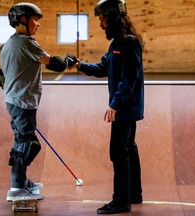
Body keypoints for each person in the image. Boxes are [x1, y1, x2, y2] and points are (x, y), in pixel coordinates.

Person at [67, 0, 144, 214]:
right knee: (129, 148)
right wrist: (80, 65)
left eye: (102, 19)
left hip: (125, 107)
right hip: (126, 106)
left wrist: (114, 104)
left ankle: (121, 201)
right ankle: (134, 194)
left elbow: (129, 77)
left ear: (112, 17)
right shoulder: (117, 43)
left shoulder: (129, 42)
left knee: (118, 152)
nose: (101, 24)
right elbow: (103, 68)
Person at [0, 2, 68, 202]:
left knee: (21, 140)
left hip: (14, 100)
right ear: (22, 20)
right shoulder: (26, 42)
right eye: (35, 19)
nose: (38, 24)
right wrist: (67, 62)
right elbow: (51, 63)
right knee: (28, 144)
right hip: (22, 102)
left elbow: (0, 77)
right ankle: (17, 188)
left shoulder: (8, 44)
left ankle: (21, 180)